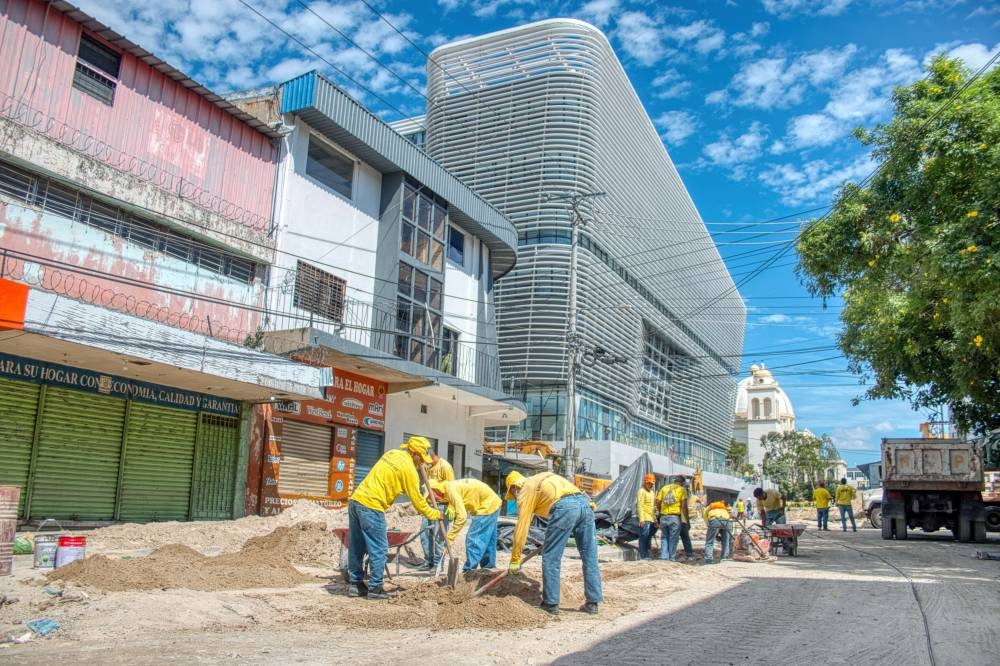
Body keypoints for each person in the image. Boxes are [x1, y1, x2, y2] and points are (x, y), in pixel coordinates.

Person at [347, 435, 442, 600]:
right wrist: (436, 514)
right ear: (414, 454)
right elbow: (419, 503)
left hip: (356, 501)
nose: (423, 463)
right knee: (379, 548)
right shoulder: (409, 471)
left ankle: (355, 585)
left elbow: (390, 478)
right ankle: (375, 589)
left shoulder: (391, 453)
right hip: (372, 506)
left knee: (357, 545)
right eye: (421, 459)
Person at [506, 471, 603, 616]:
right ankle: (593, 603)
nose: (515, 497)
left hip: (565, 507)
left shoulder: (526, 489)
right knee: (589, 556)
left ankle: (550, 603)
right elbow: (571, 492)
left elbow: (521, 527)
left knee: (551, 558)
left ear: (515, 487)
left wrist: (515, 559)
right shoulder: (542, 477)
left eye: (513, 494)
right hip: (585, 504)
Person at [428, 477, 501, 571]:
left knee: (474, 537)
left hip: (487, 504)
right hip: (493, 502)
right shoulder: (448, 488)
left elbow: (462, 516)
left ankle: (469, 571)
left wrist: (450, 538)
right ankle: (488, 568)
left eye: (431, 496)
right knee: (488, 538)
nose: (434, 500)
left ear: (434, 489)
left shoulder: (450, 490)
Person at [419, 451, 454, 570]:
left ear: (433, 456)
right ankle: (428, 561)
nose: (425, 463)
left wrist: (451, 505)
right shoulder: (429, 467)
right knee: (424, 533)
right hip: (429, 505)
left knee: (440, 536)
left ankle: (438, 563)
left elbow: (451, 487)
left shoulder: (445, 466)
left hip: (442, 505)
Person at [655, 475, 689, 562]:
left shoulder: (664, 488)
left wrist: (660, 511)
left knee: (664, 537)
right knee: (673, 538)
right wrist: (686, 519)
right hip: (674, 517)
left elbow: (658, 502)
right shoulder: (682, 490)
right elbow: (684, 507)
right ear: (682, 483)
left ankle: (663, 557)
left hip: (663, 516)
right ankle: (671, 558)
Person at [636, 473, 656, 560]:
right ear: (645, 482)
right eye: (649, 483)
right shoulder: (641, 491)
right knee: (643, 537)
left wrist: (655, 520)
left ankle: (647, 554)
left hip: (651, 518)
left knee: (648, 537)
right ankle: (643, 555)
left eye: (652, 484)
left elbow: (652, 507)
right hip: (645, 518)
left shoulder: (652, 492)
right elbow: (639, 506)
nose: (650, 485)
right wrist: (641, 519)